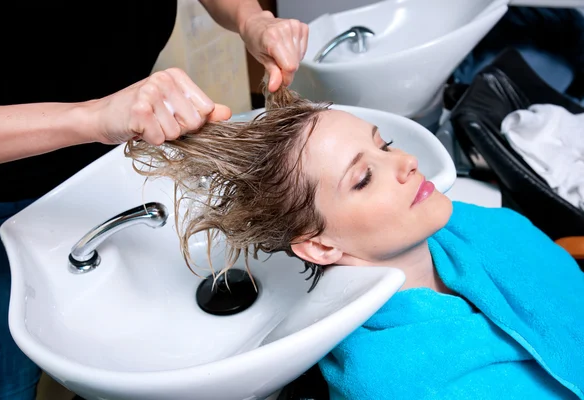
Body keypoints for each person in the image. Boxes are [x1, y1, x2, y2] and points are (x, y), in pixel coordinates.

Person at [126, 83, 584, 399]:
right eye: (364, 178)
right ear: (322, 246)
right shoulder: (394, 380)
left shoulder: (476, 229)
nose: (405, 161)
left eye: (384, 146)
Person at [0, 2, 308, 399]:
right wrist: (92, 116)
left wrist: (251, 19)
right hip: (4, 197)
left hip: (119, 161)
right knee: (6, 383)